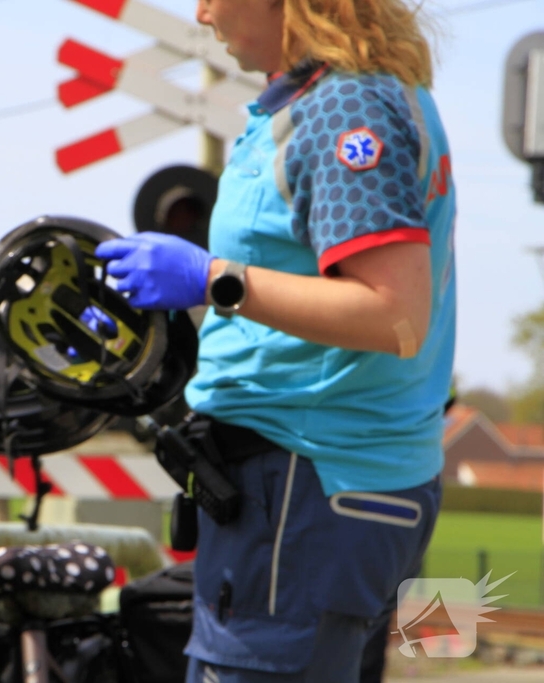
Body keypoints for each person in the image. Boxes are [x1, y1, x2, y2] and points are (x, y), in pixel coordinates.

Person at [94, 0, 456, 680]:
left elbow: (395, 315)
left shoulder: (345, 108)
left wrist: (212, 279)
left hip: (304, 487)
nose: (202, 12)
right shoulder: (350, 96)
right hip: (322, 489)